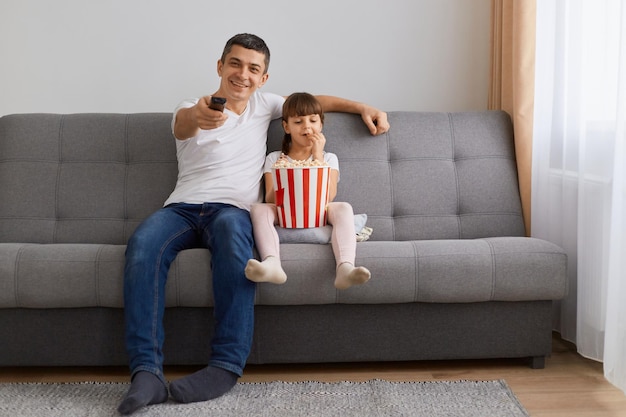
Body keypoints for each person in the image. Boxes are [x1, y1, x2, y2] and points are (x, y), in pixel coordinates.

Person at [117, 33, 389, 415]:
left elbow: (313, 103)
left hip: (233, 210)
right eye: (235, 64)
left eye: (253, 68)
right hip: (180, 208)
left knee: (234, 242)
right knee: (143, 244)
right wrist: (200, 115)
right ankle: (146, 372)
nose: (242, 74)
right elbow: (183, 125)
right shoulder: (189, 109)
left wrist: (363, 106)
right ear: (220, 66)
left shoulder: (267, 104)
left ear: (263, 77)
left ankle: (225, 367)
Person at [245, 92, 371, 289]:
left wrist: (317, 155)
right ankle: (271, 263)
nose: (307, 126)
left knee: (343, 207)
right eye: (298, 121)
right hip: (285, 212)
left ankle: (345, 267)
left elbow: (329, 196)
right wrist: (280, 174)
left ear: (320, 125)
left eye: (313, 120)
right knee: (258, 209)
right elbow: (270, 199)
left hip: (318, 212)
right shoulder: (274, 158)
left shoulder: (329, 158)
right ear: (286, 127)